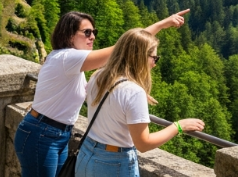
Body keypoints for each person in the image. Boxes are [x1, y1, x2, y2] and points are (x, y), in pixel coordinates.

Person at [14, 10, 189, 177]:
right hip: (43, 133)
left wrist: (130, 91)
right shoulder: (68, 58)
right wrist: (161, 24)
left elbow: (117, 62)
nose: (93, 36)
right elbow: (124, 48)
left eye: (94, 31)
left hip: (54, 132)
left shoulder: (69, 62)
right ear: (69, 35)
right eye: (87, 32)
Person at [76, 28, 205, 176]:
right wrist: (178, 126)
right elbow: (143, 144)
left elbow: (109, 103)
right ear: (140, 57)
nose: (155, 64)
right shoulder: (133, 92)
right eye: (154, 58)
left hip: (87, 153)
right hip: (113, 163)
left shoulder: (98, 76)